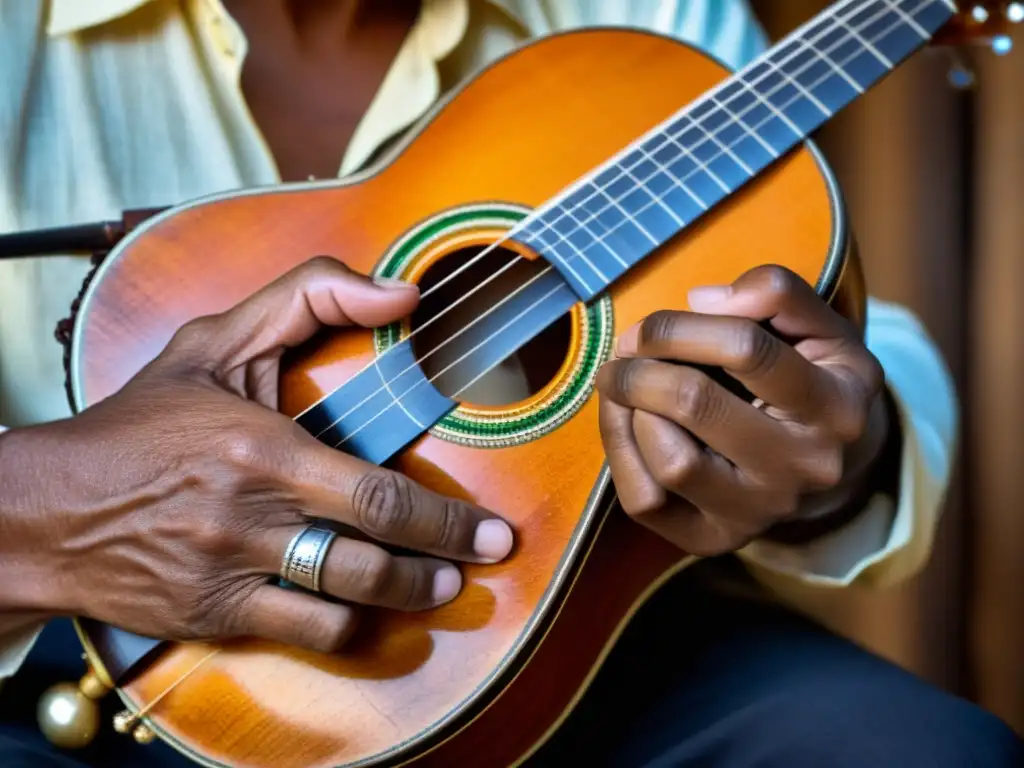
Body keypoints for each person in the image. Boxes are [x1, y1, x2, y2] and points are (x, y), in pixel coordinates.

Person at [0, 1, 1019, 766]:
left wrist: (838, 466)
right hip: (51, 672)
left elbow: (839, 322)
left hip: (540, 655)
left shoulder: (648, 18)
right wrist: (37, 518)